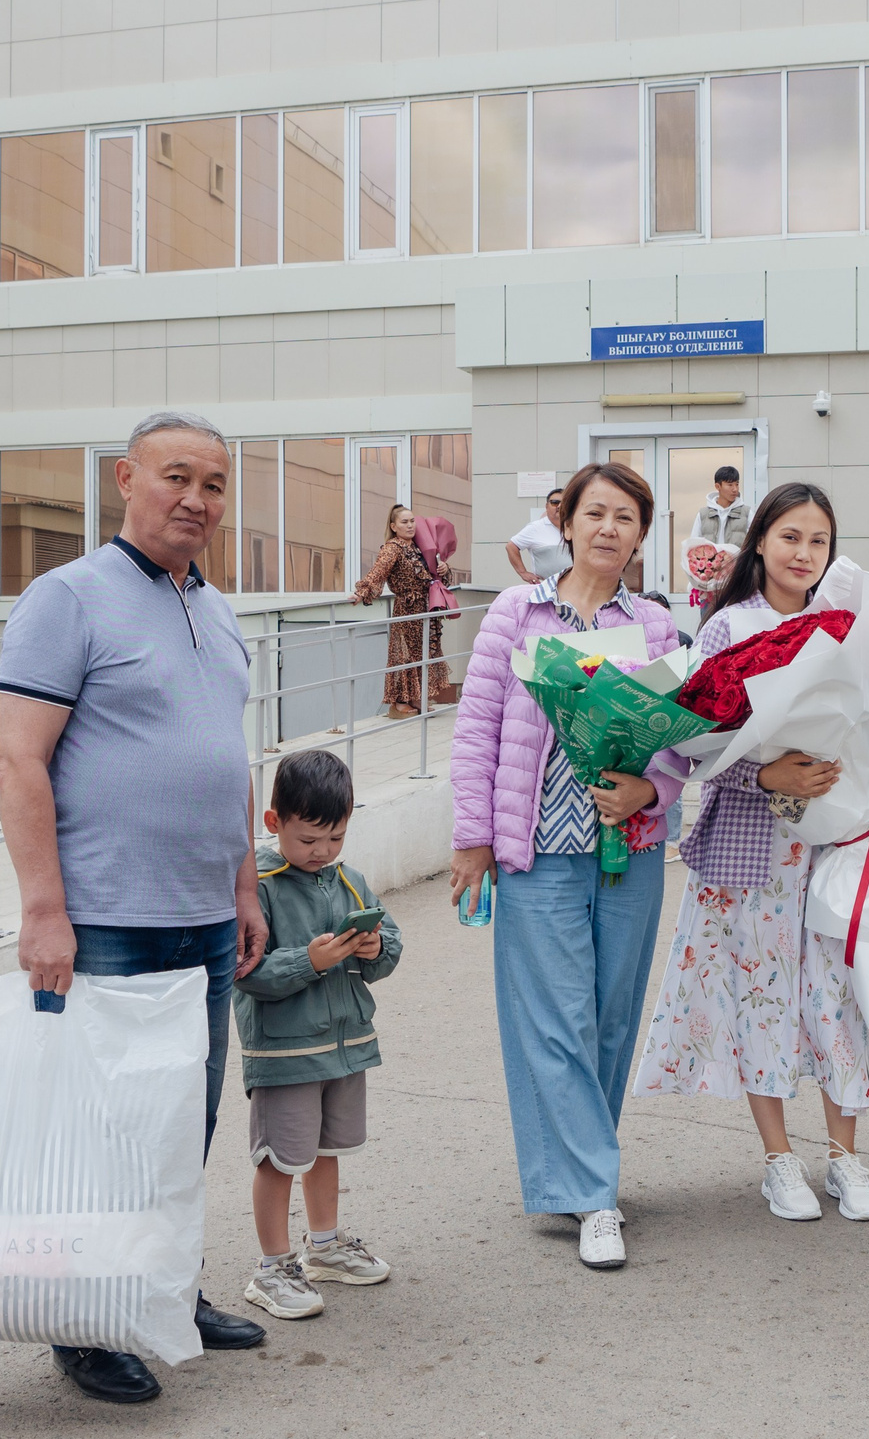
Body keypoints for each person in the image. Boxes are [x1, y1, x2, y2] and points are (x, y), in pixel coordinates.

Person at [0, 410, 268, 1404]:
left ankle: (163, 1288)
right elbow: (18, 758)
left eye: (216, 484)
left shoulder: (220, 609)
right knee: (101, 1131)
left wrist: (242, 883)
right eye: (176, 477)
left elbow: (226, 758)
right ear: (125, 479)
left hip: (201, 914)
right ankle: (82, 1319)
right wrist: (42, 909)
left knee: (179, 1124)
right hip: (107, 917)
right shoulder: (67, 599)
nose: (196, 499)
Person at [449, 463, 690, 1271]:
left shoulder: (656, 624)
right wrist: (471, 837)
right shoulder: (517, 613)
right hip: (538, 846)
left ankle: (577, 1173)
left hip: (630, 845)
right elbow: (477, 729)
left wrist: (647, 785)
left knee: (613, 1017)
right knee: (556, 1022)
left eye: (626, 516)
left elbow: (681, 739)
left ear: (641, 534)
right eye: (595, 512)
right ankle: (595, 1193)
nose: (609, 528)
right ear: (566, 522)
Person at [634, 483, 869, 1224]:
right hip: (751, 845)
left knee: (837, 996)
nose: (804, 553)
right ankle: (780, 1159)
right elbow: (689, 744)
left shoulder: (846, 625)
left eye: (819, 541)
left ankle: (844, 1155)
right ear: (761, 543)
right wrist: (764, 773)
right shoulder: (725, 628)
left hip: (833, 836)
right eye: (790, 537)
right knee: (761, 996)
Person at [237, 750, 403, 1321]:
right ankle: (271, 1267)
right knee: (279, 1158)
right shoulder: (255, 885)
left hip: (344, 1045)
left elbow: (390, 942)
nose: (323, 852)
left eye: (336, 837)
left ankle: (325, 1247)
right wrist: (308, 962)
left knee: (326, 1150)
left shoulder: (349, 882)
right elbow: (246, 971)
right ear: (274, 822)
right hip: (285, 1051)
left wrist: (376, 947)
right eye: (309, 839)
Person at [354, 503, 451, 718]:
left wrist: (444, 569)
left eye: (412, 521)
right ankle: (399, 703)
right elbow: (377, 573)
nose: (410, 526)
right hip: (406, 609)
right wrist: (362, 592)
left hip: (425, 608)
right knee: (405, 655)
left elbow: (433, 576)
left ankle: (417, 696)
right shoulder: (392, 548)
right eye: (404, 522)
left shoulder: (419, 546)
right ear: (393, 526)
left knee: (424, 651)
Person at [684, 465, 751, 608]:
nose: (735, 489)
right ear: (718, 486)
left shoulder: (747, 513)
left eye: (737, 484)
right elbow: (693, 544)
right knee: (708, 621)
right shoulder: (703, 514)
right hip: (709, 582)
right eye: (730, 484)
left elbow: (754, 543)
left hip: (736, 581)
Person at [505, 484, 571, 584]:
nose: (559, 506)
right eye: (554, 503)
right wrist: (523, 572)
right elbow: (511, 546)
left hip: (576, 588)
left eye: (564, 503)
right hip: (547, 587)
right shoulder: (535, 528)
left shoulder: (576, 527)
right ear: (546, 506)